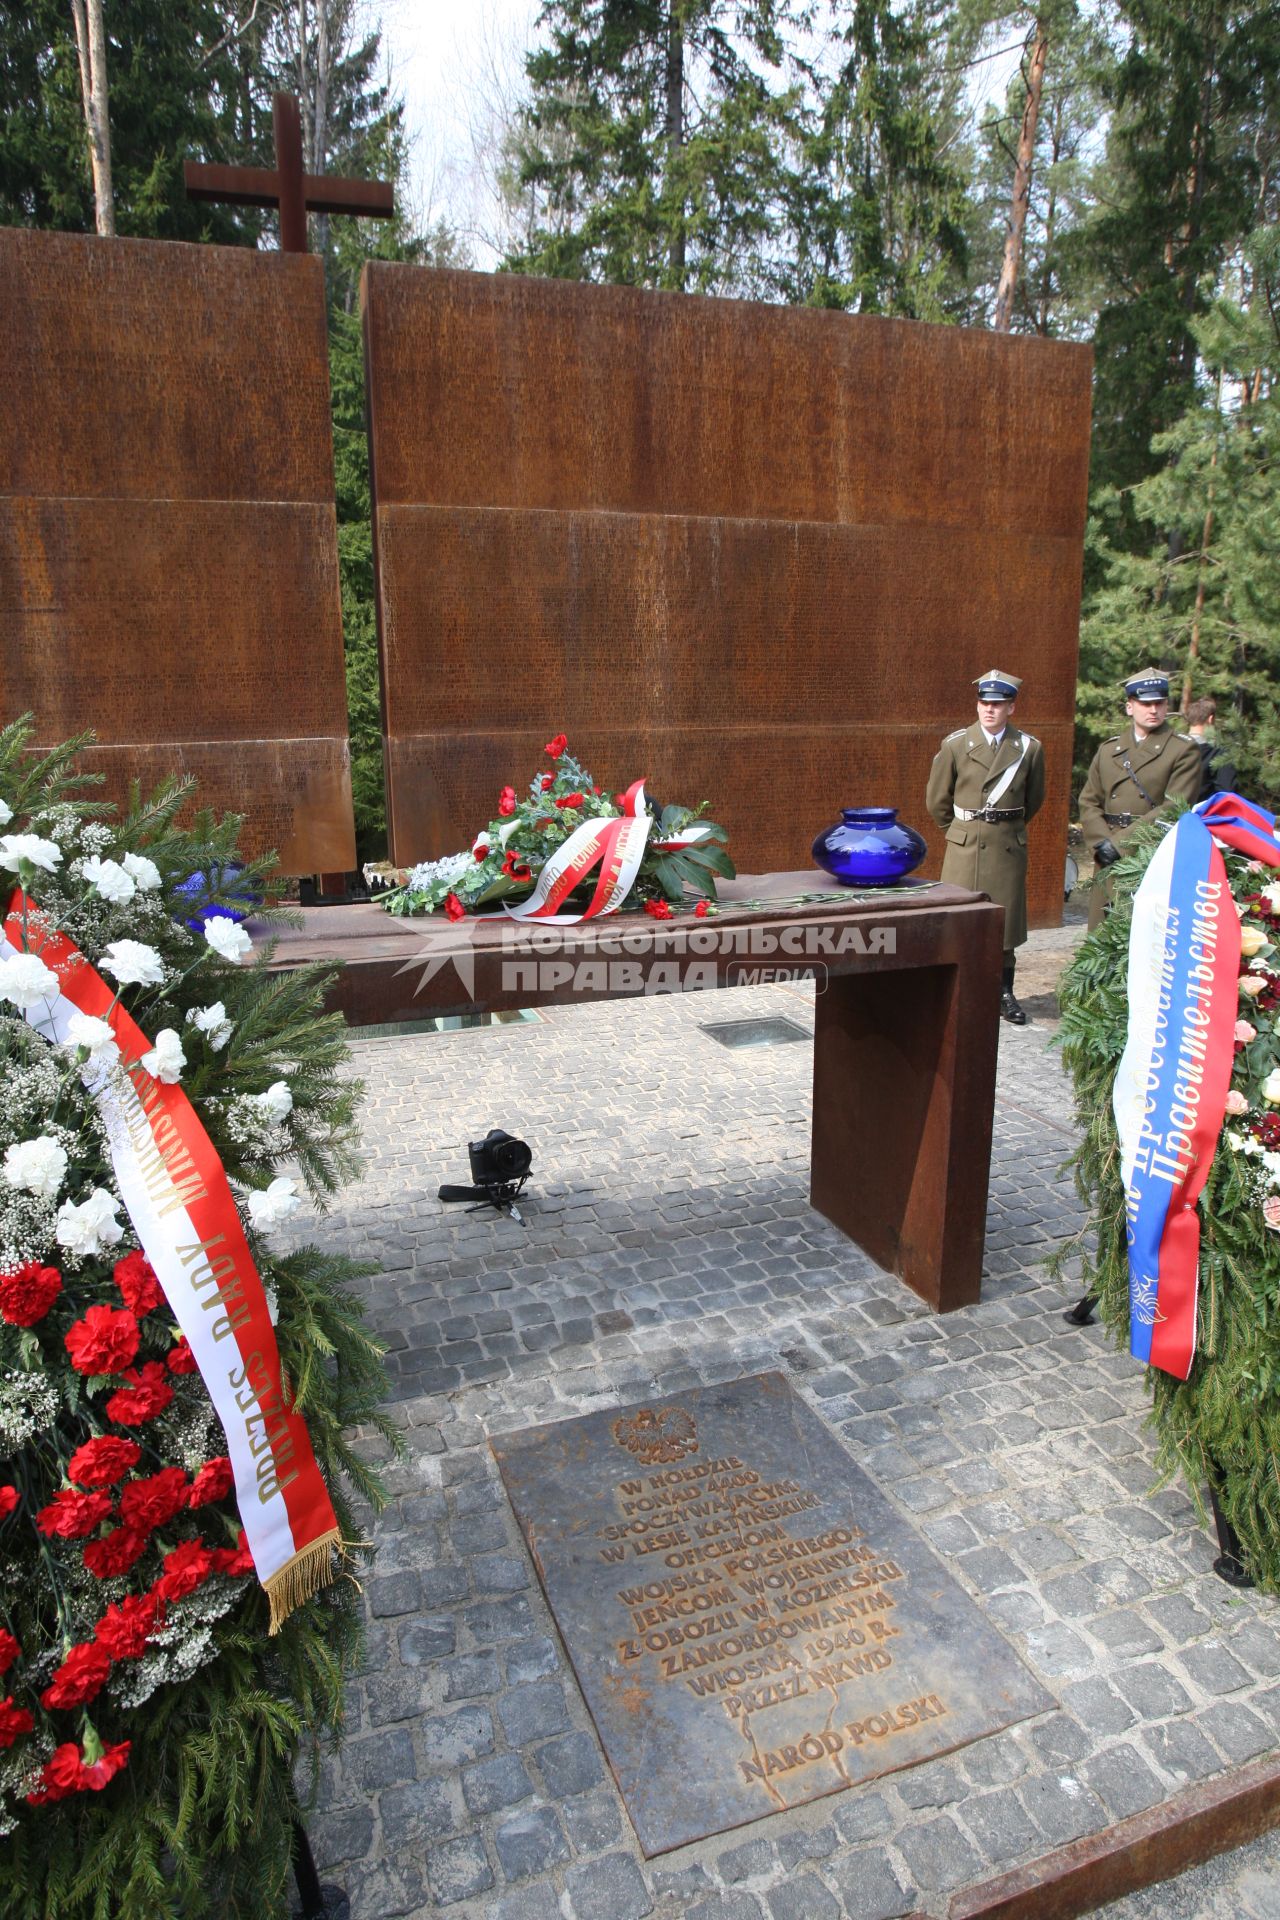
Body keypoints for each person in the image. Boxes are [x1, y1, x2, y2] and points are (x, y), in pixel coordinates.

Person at [926, 670, 1046, 1025]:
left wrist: (1002, 830)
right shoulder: (956, 744)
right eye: (984, 703)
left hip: (1007, 846)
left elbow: (1033, 800)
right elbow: (937, 801)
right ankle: (955, 990)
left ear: (1011, 706)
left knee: (1004, 923)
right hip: (965, 845)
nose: (989, 710)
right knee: (959, 920)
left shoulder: (1028, 749)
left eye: (997, 704)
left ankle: (1004, 991)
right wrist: (963, 831)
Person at [1077, 670, 1203, 933]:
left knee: (1144, 936)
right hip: (1106, 855)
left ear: (1167, 706)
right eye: (1146, 703)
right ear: (1129, 706)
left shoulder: (1182, 749)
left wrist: (1119, 845)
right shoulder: (1109, 750)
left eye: (1160, 703)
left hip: (1149, 853)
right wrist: (1102, 844)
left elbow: (1174, 807)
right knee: (1103, 939)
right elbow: (1089, 801)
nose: (1153, 709)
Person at [1186, 696, 1238, 802]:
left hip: (1171, 815)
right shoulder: (1219, 754)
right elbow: (1226, 793)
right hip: (1204, 816)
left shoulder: (1174, 748)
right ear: (1210, 719)